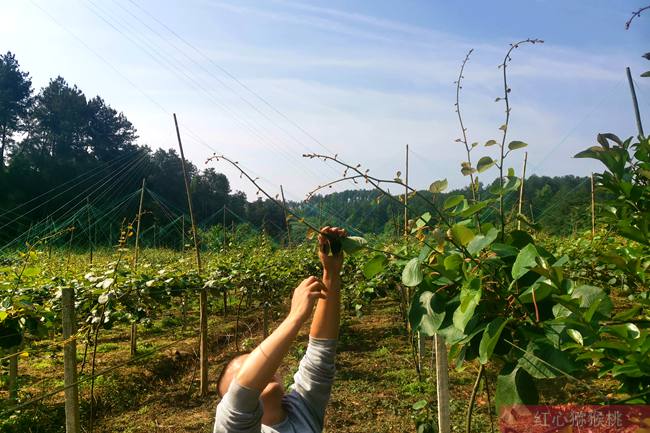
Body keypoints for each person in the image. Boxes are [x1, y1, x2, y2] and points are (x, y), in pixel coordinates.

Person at [213, 226, 347, 433]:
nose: (263, 373)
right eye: (250, 368)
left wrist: (331, 273)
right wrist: (295, 315)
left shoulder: (302, 409)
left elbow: (321, 355)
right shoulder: (233, 428)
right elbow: (243, 392)